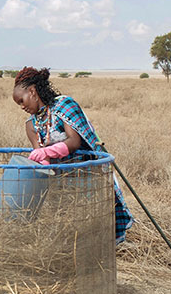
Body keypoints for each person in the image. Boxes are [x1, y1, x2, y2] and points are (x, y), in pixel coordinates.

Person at [12, 66, 133, 244]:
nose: (22, 107)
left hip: (87, 175)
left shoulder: (64, 105)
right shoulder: (31, 125)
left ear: (32, 91)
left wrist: (48, 150)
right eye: (18, 104)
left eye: (22, 101)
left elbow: (74, 141)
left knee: (93, 221)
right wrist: (40, 165)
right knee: (68, 226)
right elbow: (40, 156)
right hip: (60, 181)